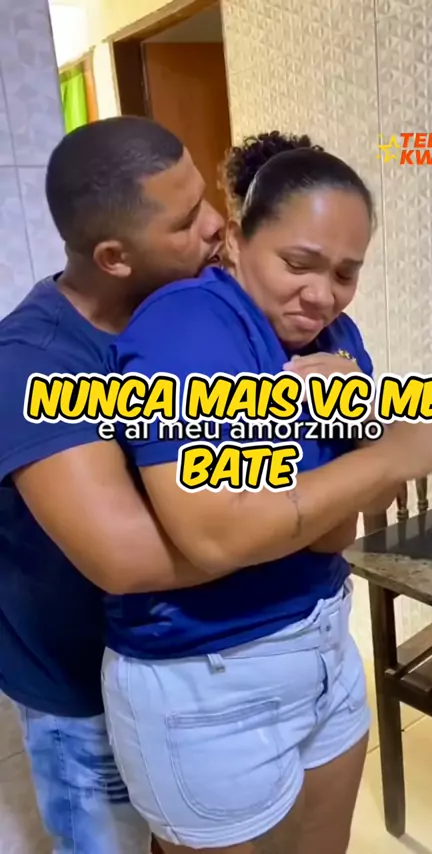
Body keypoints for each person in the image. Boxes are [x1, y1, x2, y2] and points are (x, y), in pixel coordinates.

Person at [100, 134, 432, 854]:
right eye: (298, 263)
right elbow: (215, 536)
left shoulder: (339, 337)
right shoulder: (185, 325)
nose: (322, 294)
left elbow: (333, 533)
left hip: (324, 637)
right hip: (207, 672)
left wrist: (319, 457)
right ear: (238, 238)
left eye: (346, 273)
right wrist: (389, 452)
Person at [0, 116, 224, 854]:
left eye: (206, 198)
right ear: (113, 257)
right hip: (81, 689)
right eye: (186, 221)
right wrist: (303, 521)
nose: (216, 225)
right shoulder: (35, 362)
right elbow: (126, 559)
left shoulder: (189, 309)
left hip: (188, 660)